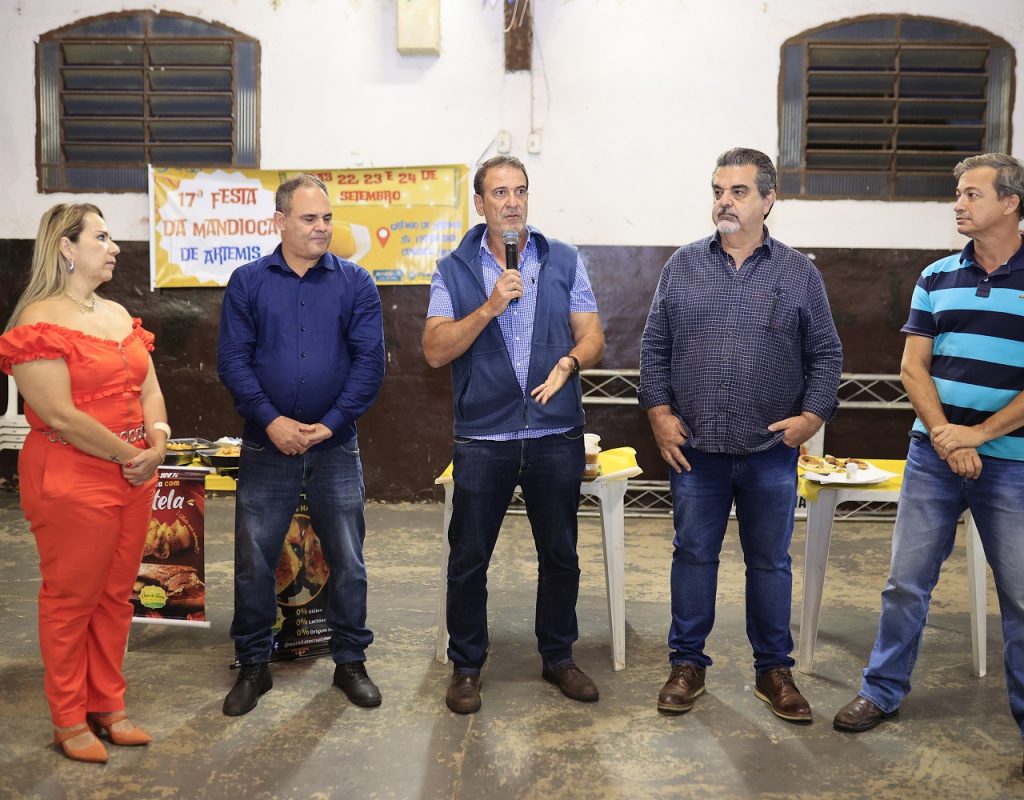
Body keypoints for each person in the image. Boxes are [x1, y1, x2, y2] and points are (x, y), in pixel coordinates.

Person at [833, 153, 1024, 774]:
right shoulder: (938, 276)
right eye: (958, 194)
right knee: (905, 584)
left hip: (1012, 463)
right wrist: (947, 435)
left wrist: (979, 435)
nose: (959, 205)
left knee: (1020, 596)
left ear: (1010, 202)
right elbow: (913, 367)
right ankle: (881, 692)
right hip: (933, 456)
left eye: (972, 194)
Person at [639, 147, 843, 722]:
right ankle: (687, 665)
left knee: (771, 562)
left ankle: (773, 671)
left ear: (768, 200)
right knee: (694, 555)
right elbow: (653, 349)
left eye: (738, 192)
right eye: (718, 190)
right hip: (695, 451)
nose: (724, 201)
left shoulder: (799, 273)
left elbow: (826, 354)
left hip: (770, 451)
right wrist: (658, 413)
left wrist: (812, 416)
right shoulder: (682, 266)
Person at [423, 155, 606, 714]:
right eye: (499, 192)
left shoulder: (564, 260)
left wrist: (570, 363)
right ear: (479, 204)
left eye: (520, 191)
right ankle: (468, 666)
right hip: (483, 438)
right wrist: (491, 305)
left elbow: (593, 335)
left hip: (555, 432)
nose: (511, 201)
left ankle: (559, 657)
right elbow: (434, 350)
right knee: (469, 557)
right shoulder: (452, 269)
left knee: (562, 554)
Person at [0, 204, 169, 763]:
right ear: (67, 248)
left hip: (133, 473)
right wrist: (133, 455)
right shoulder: (36, 322)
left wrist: (158, 441)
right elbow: (62, 416)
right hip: (73, 473)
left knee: (116, 596)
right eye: (101, 236)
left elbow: (148, 389)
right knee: (71, 599)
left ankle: (108, 705)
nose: (114, 245)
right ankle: (69, 718)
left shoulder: (119, 313)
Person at [217, 174, 386, 716]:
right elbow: (234, 362)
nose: (322, 228)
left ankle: (350, 662)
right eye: (310, 218)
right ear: (280, 222)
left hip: (335, 446)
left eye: (328, 218)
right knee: (254, 559)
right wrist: (271, 421)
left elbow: (369, 363)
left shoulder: (356, 283)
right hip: (267, 446)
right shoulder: (247, 282)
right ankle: (253, 666)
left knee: (348, 558)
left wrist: (330, 423)